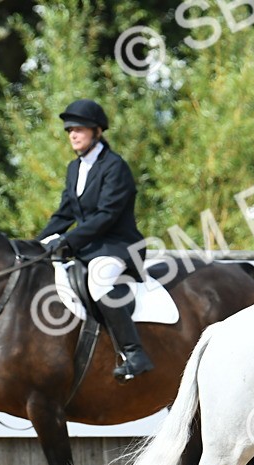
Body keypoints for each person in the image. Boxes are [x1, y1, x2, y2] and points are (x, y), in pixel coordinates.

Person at [39, 98, 154, 380]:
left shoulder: (115, 167)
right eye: (69, 130)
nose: (73, 135)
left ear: (97, 131)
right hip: (91, 245)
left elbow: (106, 216)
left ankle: (135, 353)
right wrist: (37, 243)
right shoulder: (74, 169)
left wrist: (67, 242)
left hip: (119, 246)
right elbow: (64, 214)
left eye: (79, 129)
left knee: (98, 279)